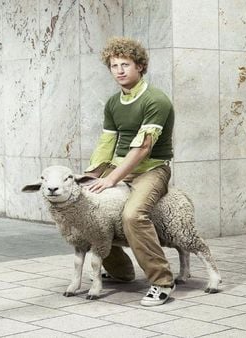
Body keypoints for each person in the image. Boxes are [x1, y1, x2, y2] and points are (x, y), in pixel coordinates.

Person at [84, 37, 175, 307]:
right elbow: (106, 143)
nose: (119, 70)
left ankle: (161, 282)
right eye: (114, 65)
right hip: (118, 167)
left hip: (152, 169)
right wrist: (90, 175)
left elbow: (143, 148)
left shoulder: (156, 100)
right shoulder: (113, 103)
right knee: (88, 208)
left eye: (125, 64)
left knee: (132, 215)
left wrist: (112, 178)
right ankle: (121, 272)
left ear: (140, 66)